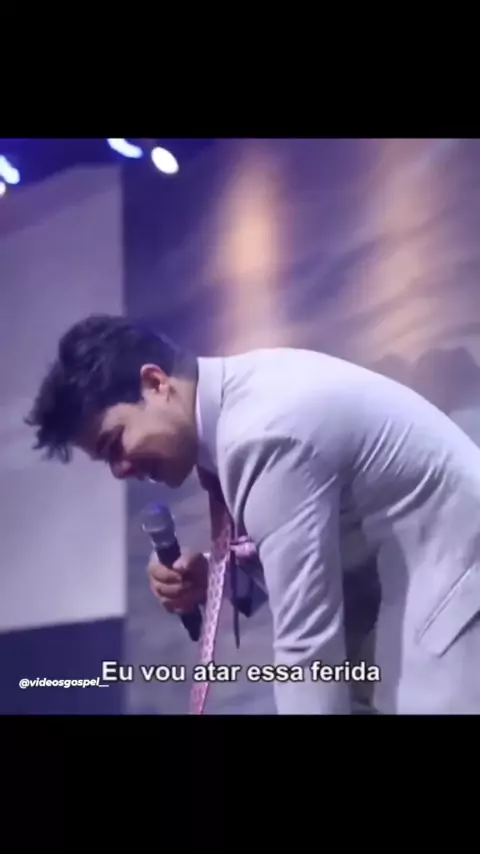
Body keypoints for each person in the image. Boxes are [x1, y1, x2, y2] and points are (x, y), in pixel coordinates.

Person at [26, 315, 480, 714]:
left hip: (455, 623)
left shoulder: (261, 435)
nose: (120, 470)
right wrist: (215, 578)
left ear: (156, 383)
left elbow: (307, 648)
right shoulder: (242, 405)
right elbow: (316, 552)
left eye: (114, 444)